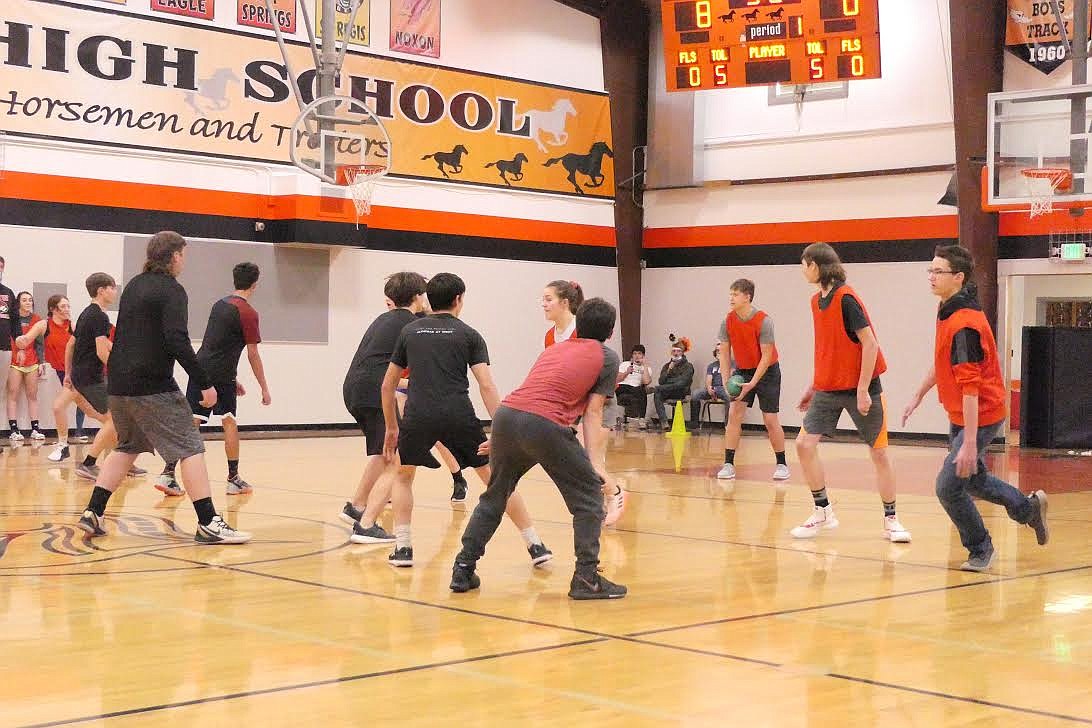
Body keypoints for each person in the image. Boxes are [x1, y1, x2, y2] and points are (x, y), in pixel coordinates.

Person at [75, 231, 249, 545]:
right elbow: (177, 341)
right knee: (190, 447)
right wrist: (206, 383)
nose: (184, 260)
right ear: (174, 256)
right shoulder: (173, 290)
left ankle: (93, 511)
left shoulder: (133, 286)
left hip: (119, 383)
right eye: (183, 254)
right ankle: (209, 521)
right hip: (152, 385)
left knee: (126, 447)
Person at [451, 297, 627, 599]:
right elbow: (594, 412)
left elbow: (531, 394)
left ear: (578, 322)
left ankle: (463, 568)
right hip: (545, 424)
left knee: (496, 495)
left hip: (508, 416)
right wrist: (594, 463)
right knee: (588, 499)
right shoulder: (608, 357)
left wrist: (501, 437)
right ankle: (586, 578)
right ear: (610, 332)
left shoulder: (555, 350)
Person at [380, 273, 550, 567]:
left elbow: (387, 385)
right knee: (496, 481)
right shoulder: (469, 334)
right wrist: (501, 427)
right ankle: (534, 544)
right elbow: (486, 385)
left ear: (429, 299)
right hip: (458, 414)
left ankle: (404, 548)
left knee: (403, 476)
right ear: (459, 299)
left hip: (418, 415)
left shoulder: (409, 332)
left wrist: (392, 427)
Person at [903, 244, 1048, 571]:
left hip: (980, 415)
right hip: (962, 413)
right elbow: (943, 364)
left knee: (948, 486)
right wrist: (918, 395)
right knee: (973, 481)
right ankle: (1028, 509)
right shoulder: (947, 310)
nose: (931, 276)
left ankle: (980, 547)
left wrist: (969, 442)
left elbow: (970, 386)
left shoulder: (964, 323)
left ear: (958, 277)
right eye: (930, 270)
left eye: (937, 271)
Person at [793, 243, 910, 543]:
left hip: (863, 387)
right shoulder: (813, 302)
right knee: (804, 445)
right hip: (828, 388)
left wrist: (861, 389)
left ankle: (891, 519)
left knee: (879, 453)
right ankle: (822, 511)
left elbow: (870, 344)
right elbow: (828, 349)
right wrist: (813, 385)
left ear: (817, 266)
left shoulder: (846, 298)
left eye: (805, 264)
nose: (802, 270)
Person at [155, 262, 272, 497]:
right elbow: (253, 355)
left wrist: (232, 377)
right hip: (221, 375)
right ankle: (233, 479)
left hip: (201, 369)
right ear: (255, 284)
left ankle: (167, 474)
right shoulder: (248, 312)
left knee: (192, 422)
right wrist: (264, 388)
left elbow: (217, 345)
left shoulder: (220, 305)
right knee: (229, 420)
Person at [339, 273, 428, 544]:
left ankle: (356, 506)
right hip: (374, 392)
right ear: (416, 297)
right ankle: (366, 526)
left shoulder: (384, 318)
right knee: (400, 459)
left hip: (354, 389)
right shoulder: (412, 324)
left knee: (384, 452)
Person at [543, 280, 626, 527]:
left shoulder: (581, 330)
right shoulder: (550, 336)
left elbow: (596, 365)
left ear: (565, 303)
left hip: (598, 401)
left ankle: (615, 494)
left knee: (592, 461)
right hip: (573, 405)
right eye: (543, 299)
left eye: (549, 299)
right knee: (582, 462)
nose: (543, 304)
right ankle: (603, 501)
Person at [716, 280, 789, 481]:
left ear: (747, 297)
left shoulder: (764, 321)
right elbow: (724, 352)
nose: (731, 298)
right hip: (743, 371)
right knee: (734, 413)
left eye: (736, 294)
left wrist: (753, 383)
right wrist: (725, 380)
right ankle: (728, 464)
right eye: (730, 294)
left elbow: (766, 356)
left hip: (768, 371)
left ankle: (782, 464)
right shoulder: (727, 321)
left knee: (770, 418)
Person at [64, 274, 123, 480]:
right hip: (90, 377)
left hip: (83, 376)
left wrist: (69, 373)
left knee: (114, 419)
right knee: (115, 419)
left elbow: (72, 344)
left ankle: (121, 462)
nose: (115, 291)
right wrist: (121, 370)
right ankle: (88, 463)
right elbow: (100, 351)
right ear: (101, 290)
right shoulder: (99, 316)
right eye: (112, 287)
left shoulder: (87, 313)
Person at [33, 296, 89, 457]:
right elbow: (31, 340)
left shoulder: (73, 326)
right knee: (89, 408)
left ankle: (65, 444)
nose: (66, 309)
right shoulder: (45, 325)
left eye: (68, 306)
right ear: (53, 309)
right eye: (62, 306)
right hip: (62, 371)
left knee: (61, 406)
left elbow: (84, 346)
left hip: (77, 371)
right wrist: (22, 342)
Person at [7, 292, 45, 441]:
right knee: (13, 394)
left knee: (32, 396)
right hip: (14, 362)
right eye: (24, 300)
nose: (28, 302)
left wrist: (41, 362)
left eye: (30, 300)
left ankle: (35, 428)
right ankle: (14, 430)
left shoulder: (37, 320)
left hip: (32, 362)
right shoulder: (12, 319)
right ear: (18, 303)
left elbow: (40, 344)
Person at [0, 256, 24, 440]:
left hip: (5, 349)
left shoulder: (7, 293)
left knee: (1, 391)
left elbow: (15, 322)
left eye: (1, 268)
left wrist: (20, 346)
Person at [651, 339, 694, 430]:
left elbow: (682, 383)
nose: (676, 353)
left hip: (681, 392)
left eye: (678, 351)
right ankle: (664, 422)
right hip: (667, 390)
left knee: (659, 389)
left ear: (682, 352)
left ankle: (656, 389)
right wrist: (668, 371)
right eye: (674, 351)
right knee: (658, 393)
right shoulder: (667, 366)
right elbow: (661, 381)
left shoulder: (688, 366)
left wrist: (668, 382)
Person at [689, 344, 727, 429]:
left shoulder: (731, 364)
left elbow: (729, 379)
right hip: (713, 388)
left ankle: (728, 424)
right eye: (717, 350)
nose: (718, 352)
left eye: (721, 350)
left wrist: (723, 363)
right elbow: (708, 379)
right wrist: (709, 388)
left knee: (729, 397)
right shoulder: (712, 366)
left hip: (724, 388)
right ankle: (694, 423)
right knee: (695, 394)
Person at [615, 344, 652, 429]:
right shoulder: (625, 364)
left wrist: (645, 366)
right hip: (622, 387)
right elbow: (617, 379)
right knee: (626, 388)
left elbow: (646, 382)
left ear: (643, 355)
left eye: (639, 354)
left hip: (636, 389)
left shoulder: (646, 368)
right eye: (635, 354)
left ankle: (642, 419)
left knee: (641, 390)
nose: (637, 356)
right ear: (632, 355)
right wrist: (626, 372)